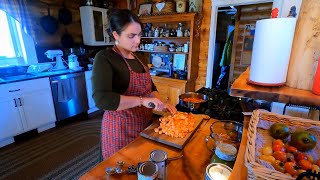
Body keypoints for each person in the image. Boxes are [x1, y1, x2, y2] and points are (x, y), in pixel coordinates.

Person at [92, 9, 177, 160]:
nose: (138, 41)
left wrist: (160, 103)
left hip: (145, 126)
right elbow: (102, 99)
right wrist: (142, 101)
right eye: (131, 36)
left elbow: (151, 88)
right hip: (120, 131)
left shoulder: (139, 58)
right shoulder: (105, 58)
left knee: (143, 167)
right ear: (116, 35)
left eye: (139, 35)